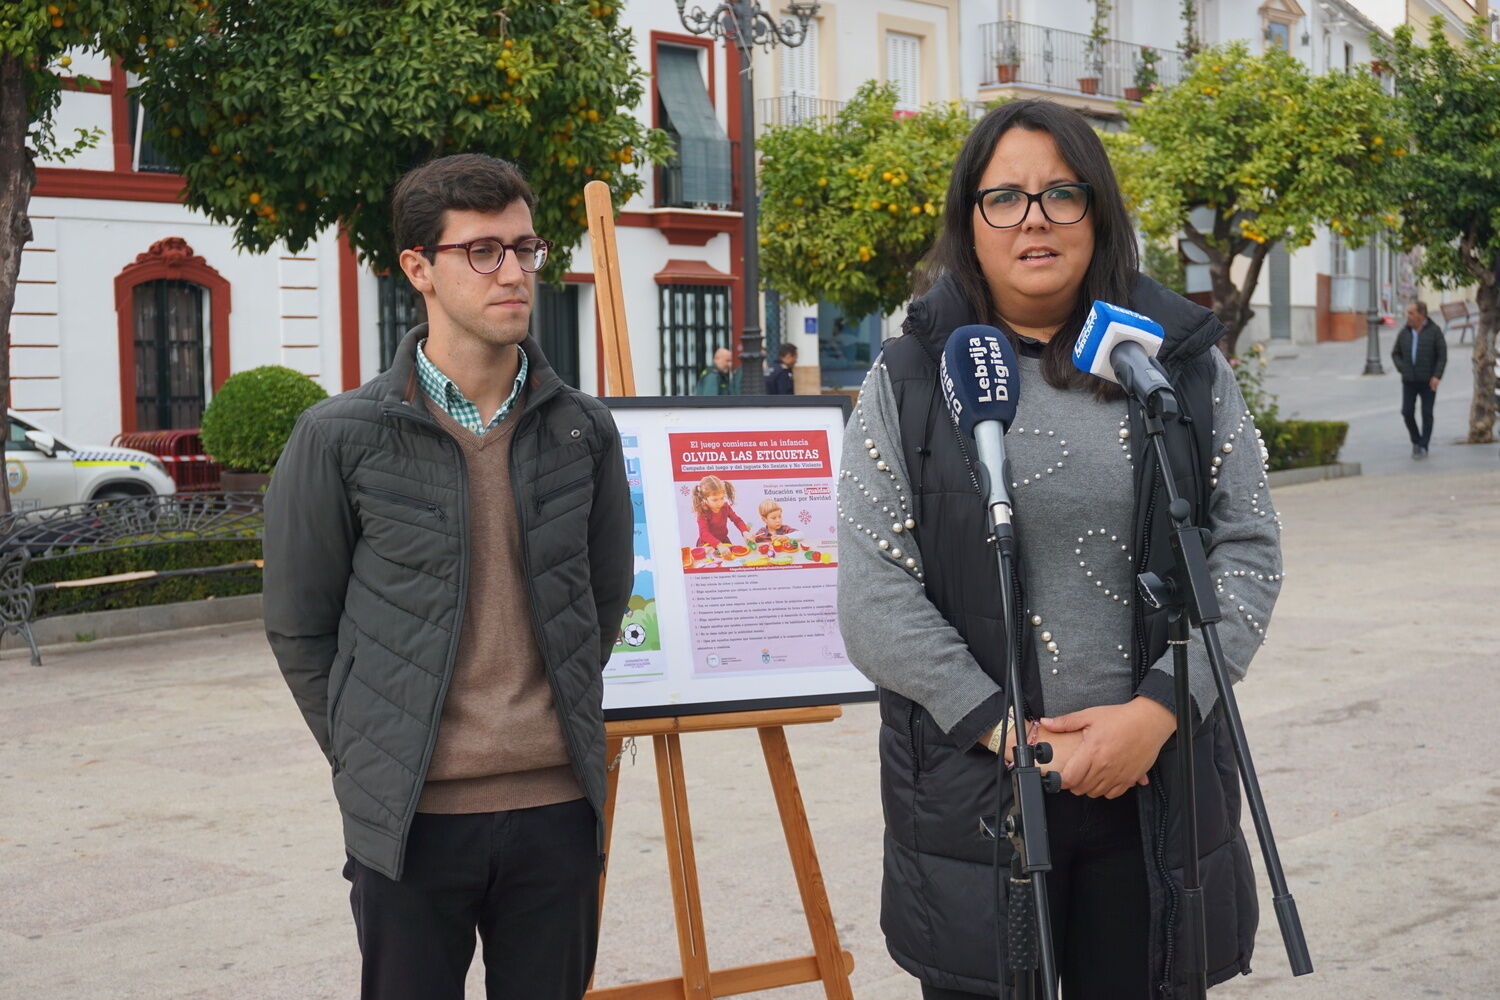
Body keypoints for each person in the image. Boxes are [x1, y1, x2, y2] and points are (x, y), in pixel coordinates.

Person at [836, 99, 1283, 999]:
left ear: (1098, 211)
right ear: (970, 220)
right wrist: (1014, 736)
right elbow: (874, 597)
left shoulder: (1180, 367)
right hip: (978, 797)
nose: (1033, 218)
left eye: (1060, 194)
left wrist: (1154, 715)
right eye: (1005, 197)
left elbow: (1246, 552)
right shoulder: (910, 377)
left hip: (1155, 782)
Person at [262, 153, 633, 1000]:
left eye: (524, 247)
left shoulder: (584, 431)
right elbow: (299, 624)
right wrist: (371, 752)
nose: (514, 272)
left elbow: (602, 598)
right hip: (411, 822)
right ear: (419, 268)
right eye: (482, 251)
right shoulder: (339, 436)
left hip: (557, 812)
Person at [1391, 299, 1446, 458]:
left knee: (1427, 413)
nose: (1407, 316)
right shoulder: (1405, 332)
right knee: (1407, 412)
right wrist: (1403, 368)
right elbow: (1395, 353)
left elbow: (1442, 355)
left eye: (1411, 313)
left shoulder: (1434, 331)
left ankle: (1423, 445)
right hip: (1409, 381)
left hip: (1428, 381)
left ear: (1421, 315)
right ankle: (1416, 440)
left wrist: (1436, 376)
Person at [691, 474, 752, 551]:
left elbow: (737, 520)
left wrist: (745, 532)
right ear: (704, 498)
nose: (720, 503)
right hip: (708, 545)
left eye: (722, 498)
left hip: (723, 541)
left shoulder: (725, 507)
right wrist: (719, 545)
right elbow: (704, 533)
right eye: (715, 500)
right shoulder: (703, 512)